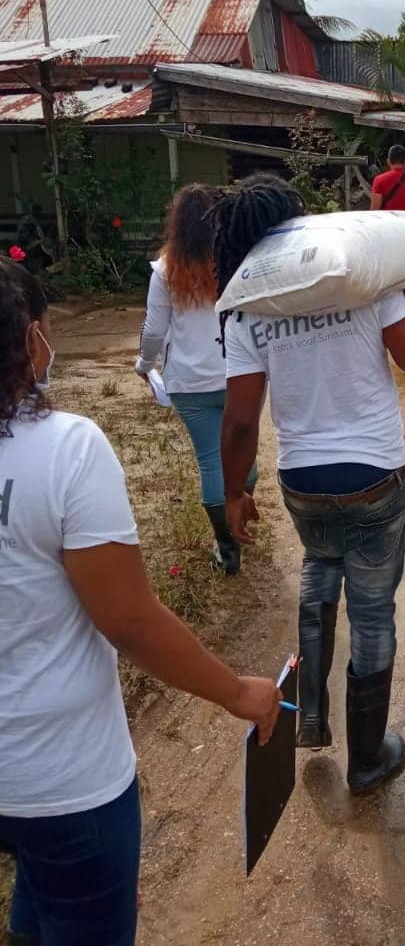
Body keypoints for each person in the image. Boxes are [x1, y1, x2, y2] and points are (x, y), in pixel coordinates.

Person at [0, 255, 279, 946]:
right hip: (61, 779)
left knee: (36, 904)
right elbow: (128, 621)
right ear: (33, 341)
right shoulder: (65, 451)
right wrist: (237, 691)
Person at [214, 174, 405, 794]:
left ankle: (310, 713)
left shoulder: (247, 304)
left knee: (320, 559)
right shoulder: (363, 277)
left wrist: (235, 493)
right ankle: (367, 759)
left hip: (302, 481)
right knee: (372, 615)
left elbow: (239, 422)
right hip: (374, 477)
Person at [135, 183, 252, 575]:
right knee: (243, 452)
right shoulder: (234, 260)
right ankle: (241, 504)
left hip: (188, 381)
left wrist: (144, 364)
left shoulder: (165, 270)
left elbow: (154, 331)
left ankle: (227, 547)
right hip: (238, 373)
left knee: (210, 462)